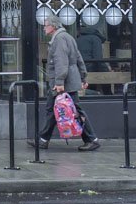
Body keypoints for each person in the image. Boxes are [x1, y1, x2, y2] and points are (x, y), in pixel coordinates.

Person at [29, 15, 100, 151]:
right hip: (68, 80)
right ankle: (43, 139)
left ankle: (92, 139)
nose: (44, 28)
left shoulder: (60, 39)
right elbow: (78, 58)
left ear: (53, 26)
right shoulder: (67, 37)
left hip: (63, 83)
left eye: (46, 25)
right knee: (53, 110)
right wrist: (83, 76)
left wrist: (60, 82)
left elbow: (61, 61)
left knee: (73, 111)